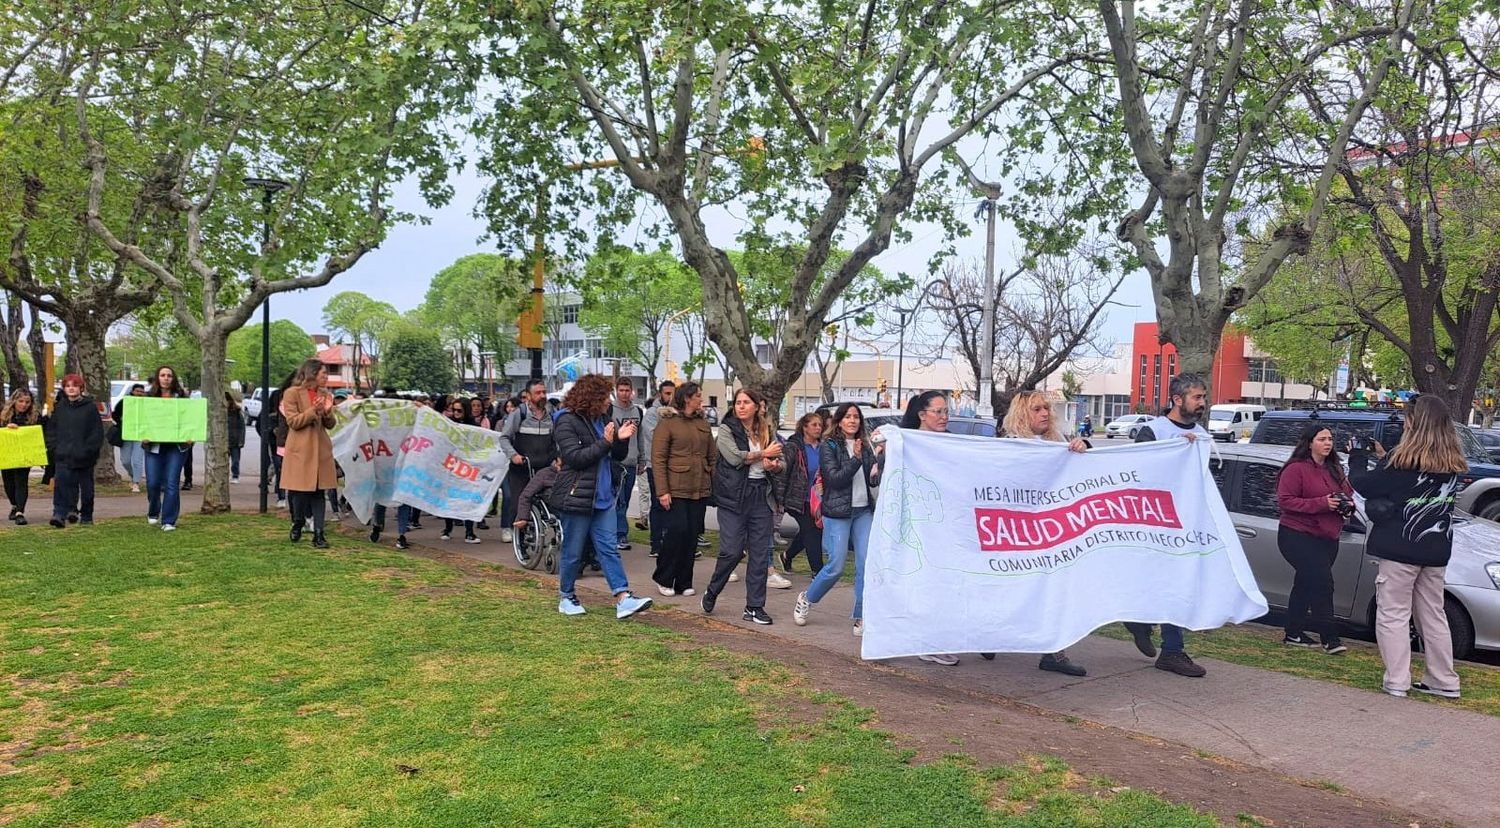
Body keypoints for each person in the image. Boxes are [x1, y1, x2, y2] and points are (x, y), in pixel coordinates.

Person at [1349, 395, 1466, 699]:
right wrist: (1385, 456)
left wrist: (1358, 457)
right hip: (1436, 547)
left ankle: (1397, 679)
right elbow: (1413, 482)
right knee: (1433, 614)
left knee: (1394, 614)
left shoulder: (1402, 461)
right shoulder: (1452, 462)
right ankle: (1444, 679)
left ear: (1415, 422)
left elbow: (1365, 484)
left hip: (1401, 547)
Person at [998, 390, 1090, 677]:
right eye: (1037, 409)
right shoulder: (1007, 446)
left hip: (1051, 533)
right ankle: (993, 634)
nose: (1045, 413)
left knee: (1054, 591)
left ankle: (1054, 652)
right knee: (1011, 589)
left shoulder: (1058, 444)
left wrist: (1083, 445)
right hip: (1017, 532)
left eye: (1046, 408)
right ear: (1023, 413)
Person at [1125, 372, 1211, 678]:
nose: (1202, 403)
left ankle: (1156, 635)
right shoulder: (1154, 431)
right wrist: (1174, 453)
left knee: (1176, 584)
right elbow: (1136, 474)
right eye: (1196, 397)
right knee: (1163, 584)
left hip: (1185, 524)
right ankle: (1162, 641)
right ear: (1177, 400)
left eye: (1203, 397)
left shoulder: (1201, 435)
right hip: (1153, 523)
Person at [548, 373, 653, 619]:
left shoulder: (603, 419)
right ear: (591, 397)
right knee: (573, 551)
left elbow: (615, 455)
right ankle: (567, 596)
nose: (609, 401)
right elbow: (575, 458)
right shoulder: (566, 421)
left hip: (604, 496)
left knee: (608, 548)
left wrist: (621, 439)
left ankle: (623, 597)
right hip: (578, 496)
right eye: (605, 396)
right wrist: (607, 442)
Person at [792, 402, 881, 636]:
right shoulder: (829, 446)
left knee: (864, 565)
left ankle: (861, 616)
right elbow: (835, 479)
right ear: (839, 421)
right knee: (836, 566)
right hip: (838, 512)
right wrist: (856, 458)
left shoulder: (865, 445)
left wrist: (876, 466)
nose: (853, 421)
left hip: (863, 511)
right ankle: (807, 598)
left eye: (856, 417)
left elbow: (872, 479)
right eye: (848, 417)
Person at [701, 388, 784, 625]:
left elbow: (781, 459)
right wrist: (763, 454)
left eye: (746, 402)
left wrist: (774, 465)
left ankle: (754, 606)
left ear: (757, 406)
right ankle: (713, 590)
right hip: (734, 497)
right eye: (738, 402)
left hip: (761, 495)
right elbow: (735, 457)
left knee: (759, 554)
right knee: (732, 550)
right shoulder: (727, 428)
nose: (741, 406)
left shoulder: (766, 430)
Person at [1275, 423, 1356, 654]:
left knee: (1306, 583)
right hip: (1297, 535)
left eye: (1330, 439)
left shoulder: (1335, 469)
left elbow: (1348, 495)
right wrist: (1322, 503)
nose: (1327, 443)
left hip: (1328, 537)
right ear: (1309, 442)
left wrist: (1346, 506)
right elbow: (1286, 501)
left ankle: (1293, 632)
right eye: (1322, 439)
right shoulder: (1295, 469)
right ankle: (1330, 639)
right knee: (1323, 583)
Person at [650, 381, 715, 597]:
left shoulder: (702, 423)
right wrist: (662, 491)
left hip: (698, 488)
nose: (701, 400)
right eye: (698, 396)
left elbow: (711, 456)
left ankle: (684, 581)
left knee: (692, 534)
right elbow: (658, 459)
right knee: (676, 532)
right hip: (675, 488)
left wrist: (711, 478)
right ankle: (664, 577)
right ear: (687, 398)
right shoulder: (668, 423)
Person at [281, 358, 338, 549]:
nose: (326, 377)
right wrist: (313, 411)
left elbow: (330, 424)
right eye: (323, 374)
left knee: (319, 492)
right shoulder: (292, 393)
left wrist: (328, 413)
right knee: (300, 492)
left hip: (320, 450)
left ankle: (319, 534)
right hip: (301, 450)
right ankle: (298, 521)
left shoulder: (325, 394)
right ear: (313, 374)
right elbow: (293, 422)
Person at [499, 380, 555, 545]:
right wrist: (514, 455)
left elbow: (555, 439)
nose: (542, 395)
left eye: (544, 392)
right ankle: (520, 539)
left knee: (548, 502)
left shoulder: (551, 415)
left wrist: (556, 456)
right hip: (521, 468)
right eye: (538, 393)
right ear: (529, 396)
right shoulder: (519, 414)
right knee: (519, 504)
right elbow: (504, 438)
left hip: (543, 468)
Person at [45, 374, 103, 528]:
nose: (71, 388)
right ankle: (59, 514)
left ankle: (86, 515)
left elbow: (96, 432)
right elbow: (52, 430)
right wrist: (54, 448)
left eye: (75, 385)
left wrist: (89, 450)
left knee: (86, 489)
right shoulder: (60, 407)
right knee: (61, 485)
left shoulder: (90, 407)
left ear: (81, 388)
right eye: (68, 385)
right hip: (63, 455)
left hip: (84, 456)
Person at [776, 411, 826, 575]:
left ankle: (787, 556)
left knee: (809, 531)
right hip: (799, 498)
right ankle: (817, 572)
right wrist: (780, 499)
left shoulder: (823, 446)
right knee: (812, 532)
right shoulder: (794, 446)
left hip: (817, 500)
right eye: (814, 425)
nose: (818, 428)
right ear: (804, 428)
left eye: (820, 425)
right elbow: (783, 472)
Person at [143, 365, 191, 531]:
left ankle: (169, 520)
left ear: (173, 378)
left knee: (171, 483)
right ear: (158, 378)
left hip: (176, 447)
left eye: (169, 375)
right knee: (153, 483)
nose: (166, 378)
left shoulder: (182, 398)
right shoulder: (148, 397)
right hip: (154, 446)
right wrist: (142, 435)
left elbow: (191, 419)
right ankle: (154, 510)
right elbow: (140, 420)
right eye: (162, 375)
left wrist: (191, 437)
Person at [609, 377, 645, 552]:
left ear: (631, 391)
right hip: (615, 462)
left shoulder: (637, 411)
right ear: (616, 391)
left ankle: (619, 532)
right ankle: (618, 534)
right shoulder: (610, 410)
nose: (624, 394)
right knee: (617, 500)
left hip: (631, 462)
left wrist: (642, 459)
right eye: (621, 390)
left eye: (626, 390)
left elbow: (640, 438)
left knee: (625, 500)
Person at [639, 381, 675, 551]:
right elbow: (656, 438)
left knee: (670, 505)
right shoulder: (652, 414)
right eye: (667, 393)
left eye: (672, 393)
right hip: (655, 465)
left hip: (672, 466)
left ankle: (669, 540)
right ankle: (656, 543)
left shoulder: (675, 412)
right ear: (660, 394)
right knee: (657, 502)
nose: (670, 397)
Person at [440, 397, 480, 544]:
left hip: (466, 467)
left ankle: (469, 531)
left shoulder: (473, 426)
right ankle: (447, 527)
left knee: (467, 499)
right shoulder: (449, 424)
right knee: (448, 498)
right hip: (451, 466)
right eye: (453, 410)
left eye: (459, 410)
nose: (455, 413)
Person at [1, 389, 39, 524]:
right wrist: (6, 428)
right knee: (8, 483)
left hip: (24, 455)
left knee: (21, 481)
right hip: (7, 454)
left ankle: (20, 512)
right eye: (21, 401)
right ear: (14, 401)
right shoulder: (4, 416)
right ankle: (14, 505)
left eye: (27, 402)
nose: (24, 405)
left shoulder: (34, 417)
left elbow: (38, 433)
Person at [112, 384, 146, 492]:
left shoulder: (146, 403)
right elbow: (115, 414)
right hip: (127, 433)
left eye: (141, 392)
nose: (139, 394)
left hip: (140, 434)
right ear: (132, 391)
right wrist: (121, 422)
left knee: (137, 460)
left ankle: (136, 482)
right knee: (125, 460)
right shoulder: (124, 402)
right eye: (137, 391)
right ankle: (133, 475)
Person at [226, 391, 246, 484]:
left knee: (235, 461)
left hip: (235, 440)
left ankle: (235, 475)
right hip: (225, 440)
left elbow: (242, 428)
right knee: (224, 461)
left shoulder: (237, 412)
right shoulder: (221, 413)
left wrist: (241, 441)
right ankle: (225, 476)